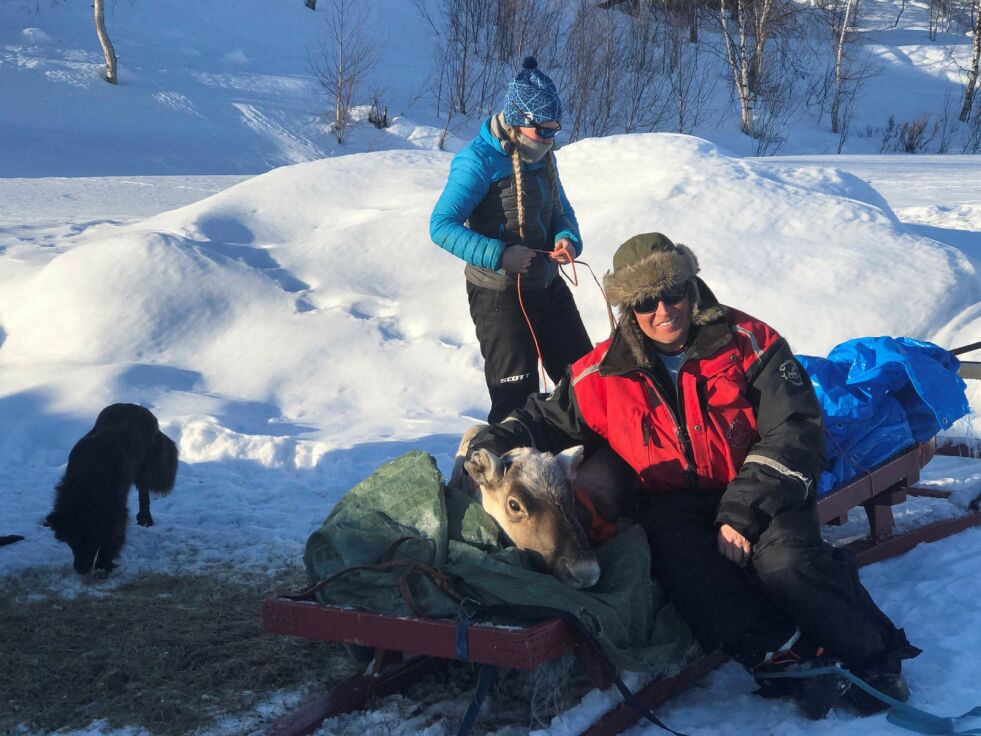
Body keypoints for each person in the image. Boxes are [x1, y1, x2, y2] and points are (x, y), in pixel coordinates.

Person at [467, 232, 919, 719]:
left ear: (690, 285)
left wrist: (742, 511)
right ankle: (785, 656)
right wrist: (494, 439)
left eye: (672, 293)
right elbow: (542, 416)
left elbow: (796, 429)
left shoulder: (749, 342)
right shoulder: (600, 373)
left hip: (761, 488)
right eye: (644, 302)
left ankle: (876, 657)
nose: (662, 310)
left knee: (788, 565)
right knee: (687, 570)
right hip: (674, 502)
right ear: (628, 308)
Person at [430, 56, 592, 423]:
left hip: (546, 285)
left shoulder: (543, 156)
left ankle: (585, 466)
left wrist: (567, 239)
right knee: (516, 400)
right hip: (498, 295)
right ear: (519, 122)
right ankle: (510, 475)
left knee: (584, 380)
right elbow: (441, 225)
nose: (550, 140)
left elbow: (560, 210)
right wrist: (501, 255)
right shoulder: (478, 160)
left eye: (555, 130)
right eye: (543, 130)